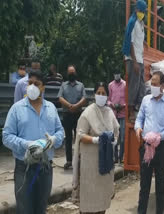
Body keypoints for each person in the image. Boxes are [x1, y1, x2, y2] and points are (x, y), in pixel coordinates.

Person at [2, 70, 64, 214]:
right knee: (24, 209)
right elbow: (6, 136)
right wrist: (27, 144)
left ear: (43, 88)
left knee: (41, 207)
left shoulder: (51, 108)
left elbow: (60, 131)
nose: (32, 87)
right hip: (24, 168)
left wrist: (54, 140)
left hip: (45, 168)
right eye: (30, 83)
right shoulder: (17, 109)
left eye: (37, 84)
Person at [72, 82, 119, 214]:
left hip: (105, 164)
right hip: (90, 165)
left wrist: (114, 140)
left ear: (107, 96)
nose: (101, 95)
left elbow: (116, 131)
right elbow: (80, 135)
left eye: (103, 93)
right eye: (98, 93)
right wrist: (96, 140)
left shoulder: (110, 112)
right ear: (94, 94)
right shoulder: (88, 113)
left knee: (102, 199)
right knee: (89, 199)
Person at [135, 71, 164, 214]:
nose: (152, 86)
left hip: (161, 148)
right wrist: (138, 128)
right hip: (146, 147)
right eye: (151, 84)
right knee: (144, 185)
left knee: (160, 185)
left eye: (155, 84)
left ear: (163, 86)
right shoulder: (146, 100)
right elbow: (139, 118)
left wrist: (160, 136)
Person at [122, 0, 147, 121]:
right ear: (136, 9)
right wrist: (135, 61)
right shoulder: (132, 22)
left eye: (144, 11)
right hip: (133, 60)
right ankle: (131, 112)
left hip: (140, 59)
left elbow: (138, 38)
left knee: (142, 86)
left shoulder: (141, 23)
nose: (142, 13)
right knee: (133, 86)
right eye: (140, 10)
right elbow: (130, 42)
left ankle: (137, 108)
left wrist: (144, 43)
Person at [58, 65, 86, 170]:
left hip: (78, 115)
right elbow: (60, 97)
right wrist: (70, 106)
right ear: (67, 73)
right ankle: (69, 161)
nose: (71, 74)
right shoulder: (63, 85)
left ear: (75, 73)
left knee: (79, 138)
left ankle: (79, 159)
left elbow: (84, 98)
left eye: (73, 72)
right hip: (67, 115)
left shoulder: (81, 85)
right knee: (68, 138)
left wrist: (76, 106)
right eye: (70, 72)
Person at [108, 72, 126, 164]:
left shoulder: (125, 84)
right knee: (114, 137)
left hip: (123, 114)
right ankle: (115, 157)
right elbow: (108, 99)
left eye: (118, 74)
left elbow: (128, 99)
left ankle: (121, 156)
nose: (116, 75)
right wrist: (112, 105)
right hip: (114, 114)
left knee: (123, 138)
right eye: (115, 74)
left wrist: (123, 105)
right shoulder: (110, 85)